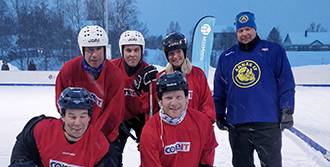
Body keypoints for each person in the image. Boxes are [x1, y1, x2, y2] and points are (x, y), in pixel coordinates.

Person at [213, 11, 295, 167]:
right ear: (236, 33)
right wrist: (218, 113)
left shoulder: (273, 51)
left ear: (255, 29)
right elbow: (219, 90)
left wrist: (287, 109)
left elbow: (286, 83)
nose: (245, 34)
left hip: (268, 123)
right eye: (240, 30)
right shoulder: (227, 56)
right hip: (238, 124)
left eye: (248, 29)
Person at [55, 25, 125, 166]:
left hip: (105, 136)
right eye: (90, 49)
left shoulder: (115, 75)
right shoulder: (68, 70)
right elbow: (61, 103)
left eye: (99, 48)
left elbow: (113, 114)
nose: (95, 55)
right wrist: (77, 130)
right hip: (75, 130)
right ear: (82, 50)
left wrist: (91, 137)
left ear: (105, 49)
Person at [9, 87, 112, 167]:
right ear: (62, 116)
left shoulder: (100, 144)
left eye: (83, 116)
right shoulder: (40, 130)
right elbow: (20, 156)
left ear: (89, 117)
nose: (77, 123)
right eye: (72, 116)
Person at [139, 71, 218, 167]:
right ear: (160, 101)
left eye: (178, 97)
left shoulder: (202, 122)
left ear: (186, 98)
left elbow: (208, 150)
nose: (174, 103)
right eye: (168, 98)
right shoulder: (150, 130)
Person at [110, 30, 158, 166]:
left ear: (142, 51)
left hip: (141, 116)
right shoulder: (112, 68)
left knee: (149, 149)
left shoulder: (148, 72)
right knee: (113, 152)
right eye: (128, 50)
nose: (132, 54)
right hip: (120, 116)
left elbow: (151, 104)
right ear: (122, 51)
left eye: (136, 50)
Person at [158, 32, 216, 122]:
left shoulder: (197, 74)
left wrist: (206, 124)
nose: (175, 56)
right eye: (171, 53)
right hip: (169, 129)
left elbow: (206, 103)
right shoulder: (161, 77)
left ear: (184, 52)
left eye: (178, 52)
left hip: (194, 128)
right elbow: (155, 107)